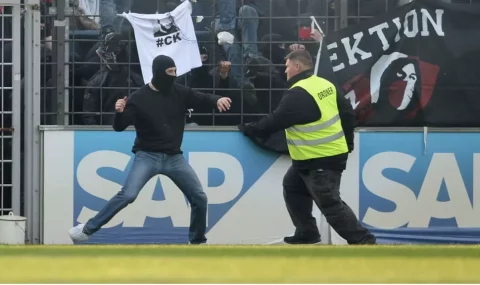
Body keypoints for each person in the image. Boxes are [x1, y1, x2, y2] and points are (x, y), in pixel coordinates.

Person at [69, 55, 233, 245]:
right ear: (158, 73)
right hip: (147, 155)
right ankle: (86, 230)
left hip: (174, 158)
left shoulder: (179, 91)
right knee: (128, 194)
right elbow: (119, 126)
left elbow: (202, 97)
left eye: (175, 71)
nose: (174, 75)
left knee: (199, 197)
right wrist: (119, 112)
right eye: (170, 72)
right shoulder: (139, 98)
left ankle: (196, 241)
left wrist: (217, 99)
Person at [238, 50, 376, 245]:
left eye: (287, 67)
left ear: (297, 67)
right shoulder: (324, 84)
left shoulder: (298, 93)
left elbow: (275, 121)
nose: (285, 72)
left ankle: (364, 240)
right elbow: (346, 113)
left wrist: (249, 128)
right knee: (293, 186)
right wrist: (347, 143)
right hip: (320, 156)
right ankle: (307, 232)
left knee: (329, 203)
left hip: (318, 158)